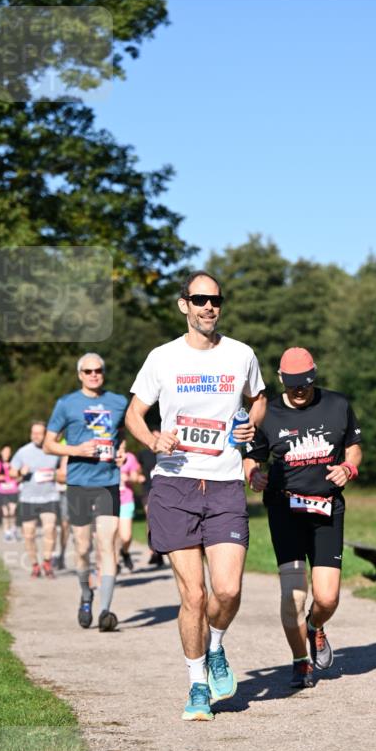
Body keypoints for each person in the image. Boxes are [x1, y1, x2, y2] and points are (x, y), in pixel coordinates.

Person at [126, 270, 266, 722]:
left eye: (216, 300)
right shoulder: (162, 358)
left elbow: (259, 398)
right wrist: (152, 441)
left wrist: (250, 424)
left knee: (227, 589)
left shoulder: (241, 354)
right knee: (194, 597)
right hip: (174, 484)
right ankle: (197, 685)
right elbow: (134, 413)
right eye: (200, 299)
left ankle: (217, 646)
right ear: (183, 304)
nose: (210, 307)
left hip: (224, 484)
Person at [243, 347, 362, 690]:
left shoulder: (337, 405)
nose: (299, 390)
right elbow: (252, 457)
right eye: (293, 384)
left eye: (306, 383)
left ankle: (314, 626)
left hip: (326, 509)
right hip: (285, 511)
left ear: (315, 375)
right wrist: (254, 475)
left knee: (327, 598)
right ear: (281, 379)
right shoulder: (267, 413)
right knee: (292, 595)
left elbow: (354, 446)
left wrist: (348, 467)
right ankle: (300, 661)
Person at [44, 354, 127, 631]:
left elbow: (122, 434)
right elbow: (48, 444)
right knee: (82, 548)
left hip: (108, 481)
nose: (94, 374)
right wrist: (75, 450)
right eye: (88, 371)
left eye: (98, 370)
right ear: (80, 374)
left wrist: (123, 450)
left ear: (104, 372)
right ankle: (86, 593)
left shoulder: (118, 402)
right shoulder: (66, 404)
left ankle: (105, 610)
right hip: (79, 483)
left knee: (107, 545)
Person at [11, 423, 60, 578]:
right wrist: (20, 471)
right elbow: (12, 472)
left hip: (50, 496)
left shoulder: (54, 450)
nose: (36, 436)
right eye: (34, 433)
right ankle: (34, 565)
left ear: (45, 434)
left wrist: (58, 474)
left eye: (39, 433)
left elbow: (64, 469)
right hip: (28, 498)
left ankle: (47, 561)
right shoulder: (23, 452)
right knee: (29, 534)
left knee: (49, 530)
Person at [137, 429, 165, 567]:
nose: (155, 439)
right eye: (152, 436)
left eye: (157, 436)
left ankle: (161, 550)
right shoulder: (143, 453)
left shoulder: (167, 452)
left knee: (163, 520)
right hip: (148, 490)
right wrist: (138, 476)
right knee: (151, 518)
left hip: (165, 491)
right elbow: (136, 468)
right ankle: (153, 551)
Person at [116, 448, 140, 571]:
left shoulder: (130, 457)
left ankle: (124, 552)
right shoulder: (104, 455)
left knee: (126, 536)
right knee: (112, 535)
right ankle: (114, 563)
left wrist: (128, 478)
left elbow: (136, 478)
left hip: (126, 500)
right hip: (109, 501)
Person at [0, 444, 19, 540]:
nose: (7, 454)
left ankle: (13, 529)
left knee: (13, 511)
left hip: (13, 490)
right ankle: (7, 532)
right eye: (5, 451)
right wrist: (2, 477)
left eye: (9, 452)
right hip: (2, 491)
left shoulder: (14, 463)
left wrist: (17, 477)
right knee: (5, 512)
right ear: (1, 452)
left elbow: (19, 476)